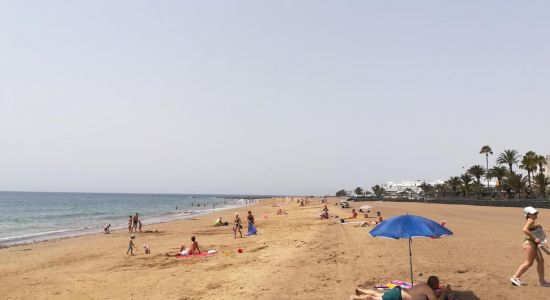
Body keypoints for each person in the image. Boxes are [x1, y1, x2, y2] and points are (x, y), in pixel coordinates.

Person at [511, 206, 550, 287]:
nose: (536, 214)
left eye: (536, 213)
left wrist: (544, 229)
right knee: (529, 262)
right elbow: (524, 229)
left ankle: (542, 281)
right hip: (530, 243)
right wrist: (535, 238)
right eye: (533, 213)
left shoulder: (532, 221)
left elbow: (533, 229)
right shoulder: (531, 220)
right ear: (528, 214)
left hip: (532, 243)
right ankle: (515, 277)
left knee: (540, 261)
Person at [350, 276, 451, 300]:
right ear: (434, 285)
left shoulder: (424, 285)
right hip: (398, 295)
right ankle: (356, 297)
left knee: (378, 294)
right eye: (438, 284)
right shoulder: (428, 290)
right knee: (377, 298)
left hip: (398, 291)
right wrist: (444, 292)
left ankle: (360, 290)